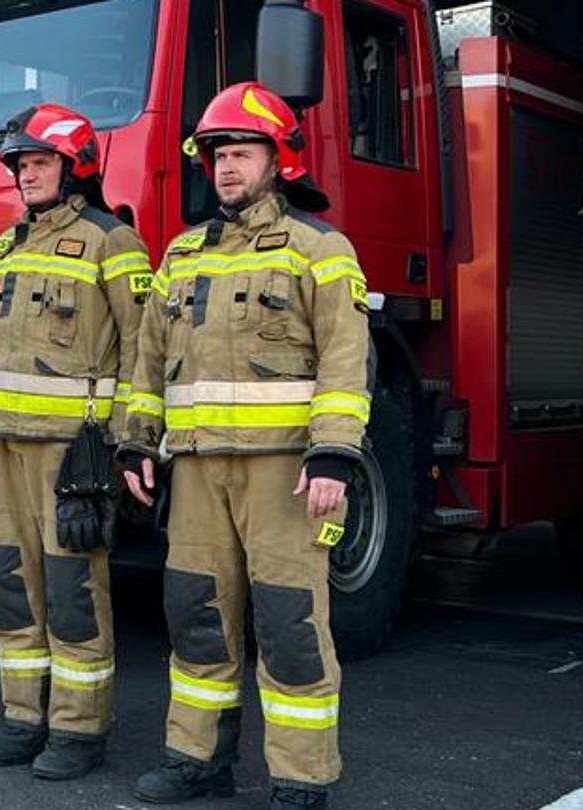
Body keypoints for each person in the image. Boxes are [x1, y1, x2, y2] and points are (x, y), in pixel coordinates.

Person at [121, 82, 370, 810]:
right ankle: (198, 760)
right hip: (197, 470)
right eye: (217, 155)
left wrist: (334, 455)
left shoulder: (321, 250)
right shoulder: (183, 254)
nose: (226, 168)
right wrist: (135, 443)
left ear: (279, 158)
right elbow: (147, 361)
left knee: (289, 622)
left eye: (241, 152)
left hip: (285, 473)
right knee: (195, 615)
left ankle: (301, 777)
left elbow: (346, 361)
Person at [0, 104, 154, 779]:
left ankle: (80, 728)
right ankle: (24, 717)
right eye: (20, 165)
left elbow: (142, 349)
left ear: (75, 166)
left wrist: (128, 442)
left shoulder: (113, 241)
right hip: (2, 447)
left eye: (39, 162)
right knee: (7, 581)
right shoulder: (8, 245)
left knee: (72, 587)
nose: (25, 175)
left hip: (70, 453)